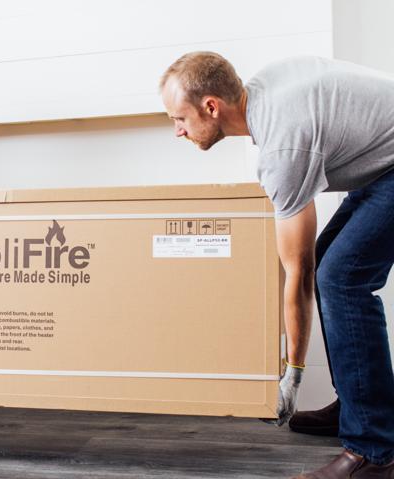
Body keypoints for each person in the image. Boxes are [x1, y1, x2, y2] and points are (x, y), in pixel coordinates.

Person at [160, 52, 394, 477]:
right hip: (384, 163)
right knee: (333, 265)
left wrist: (294, 375)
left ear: (211, 107)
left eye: (180, 118)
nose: (178, 131)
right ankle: (358, 405)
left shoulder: (281, 147)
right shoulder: (264, 96)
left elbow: (297, 273)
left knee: (339, 278)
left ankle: (374, 451)